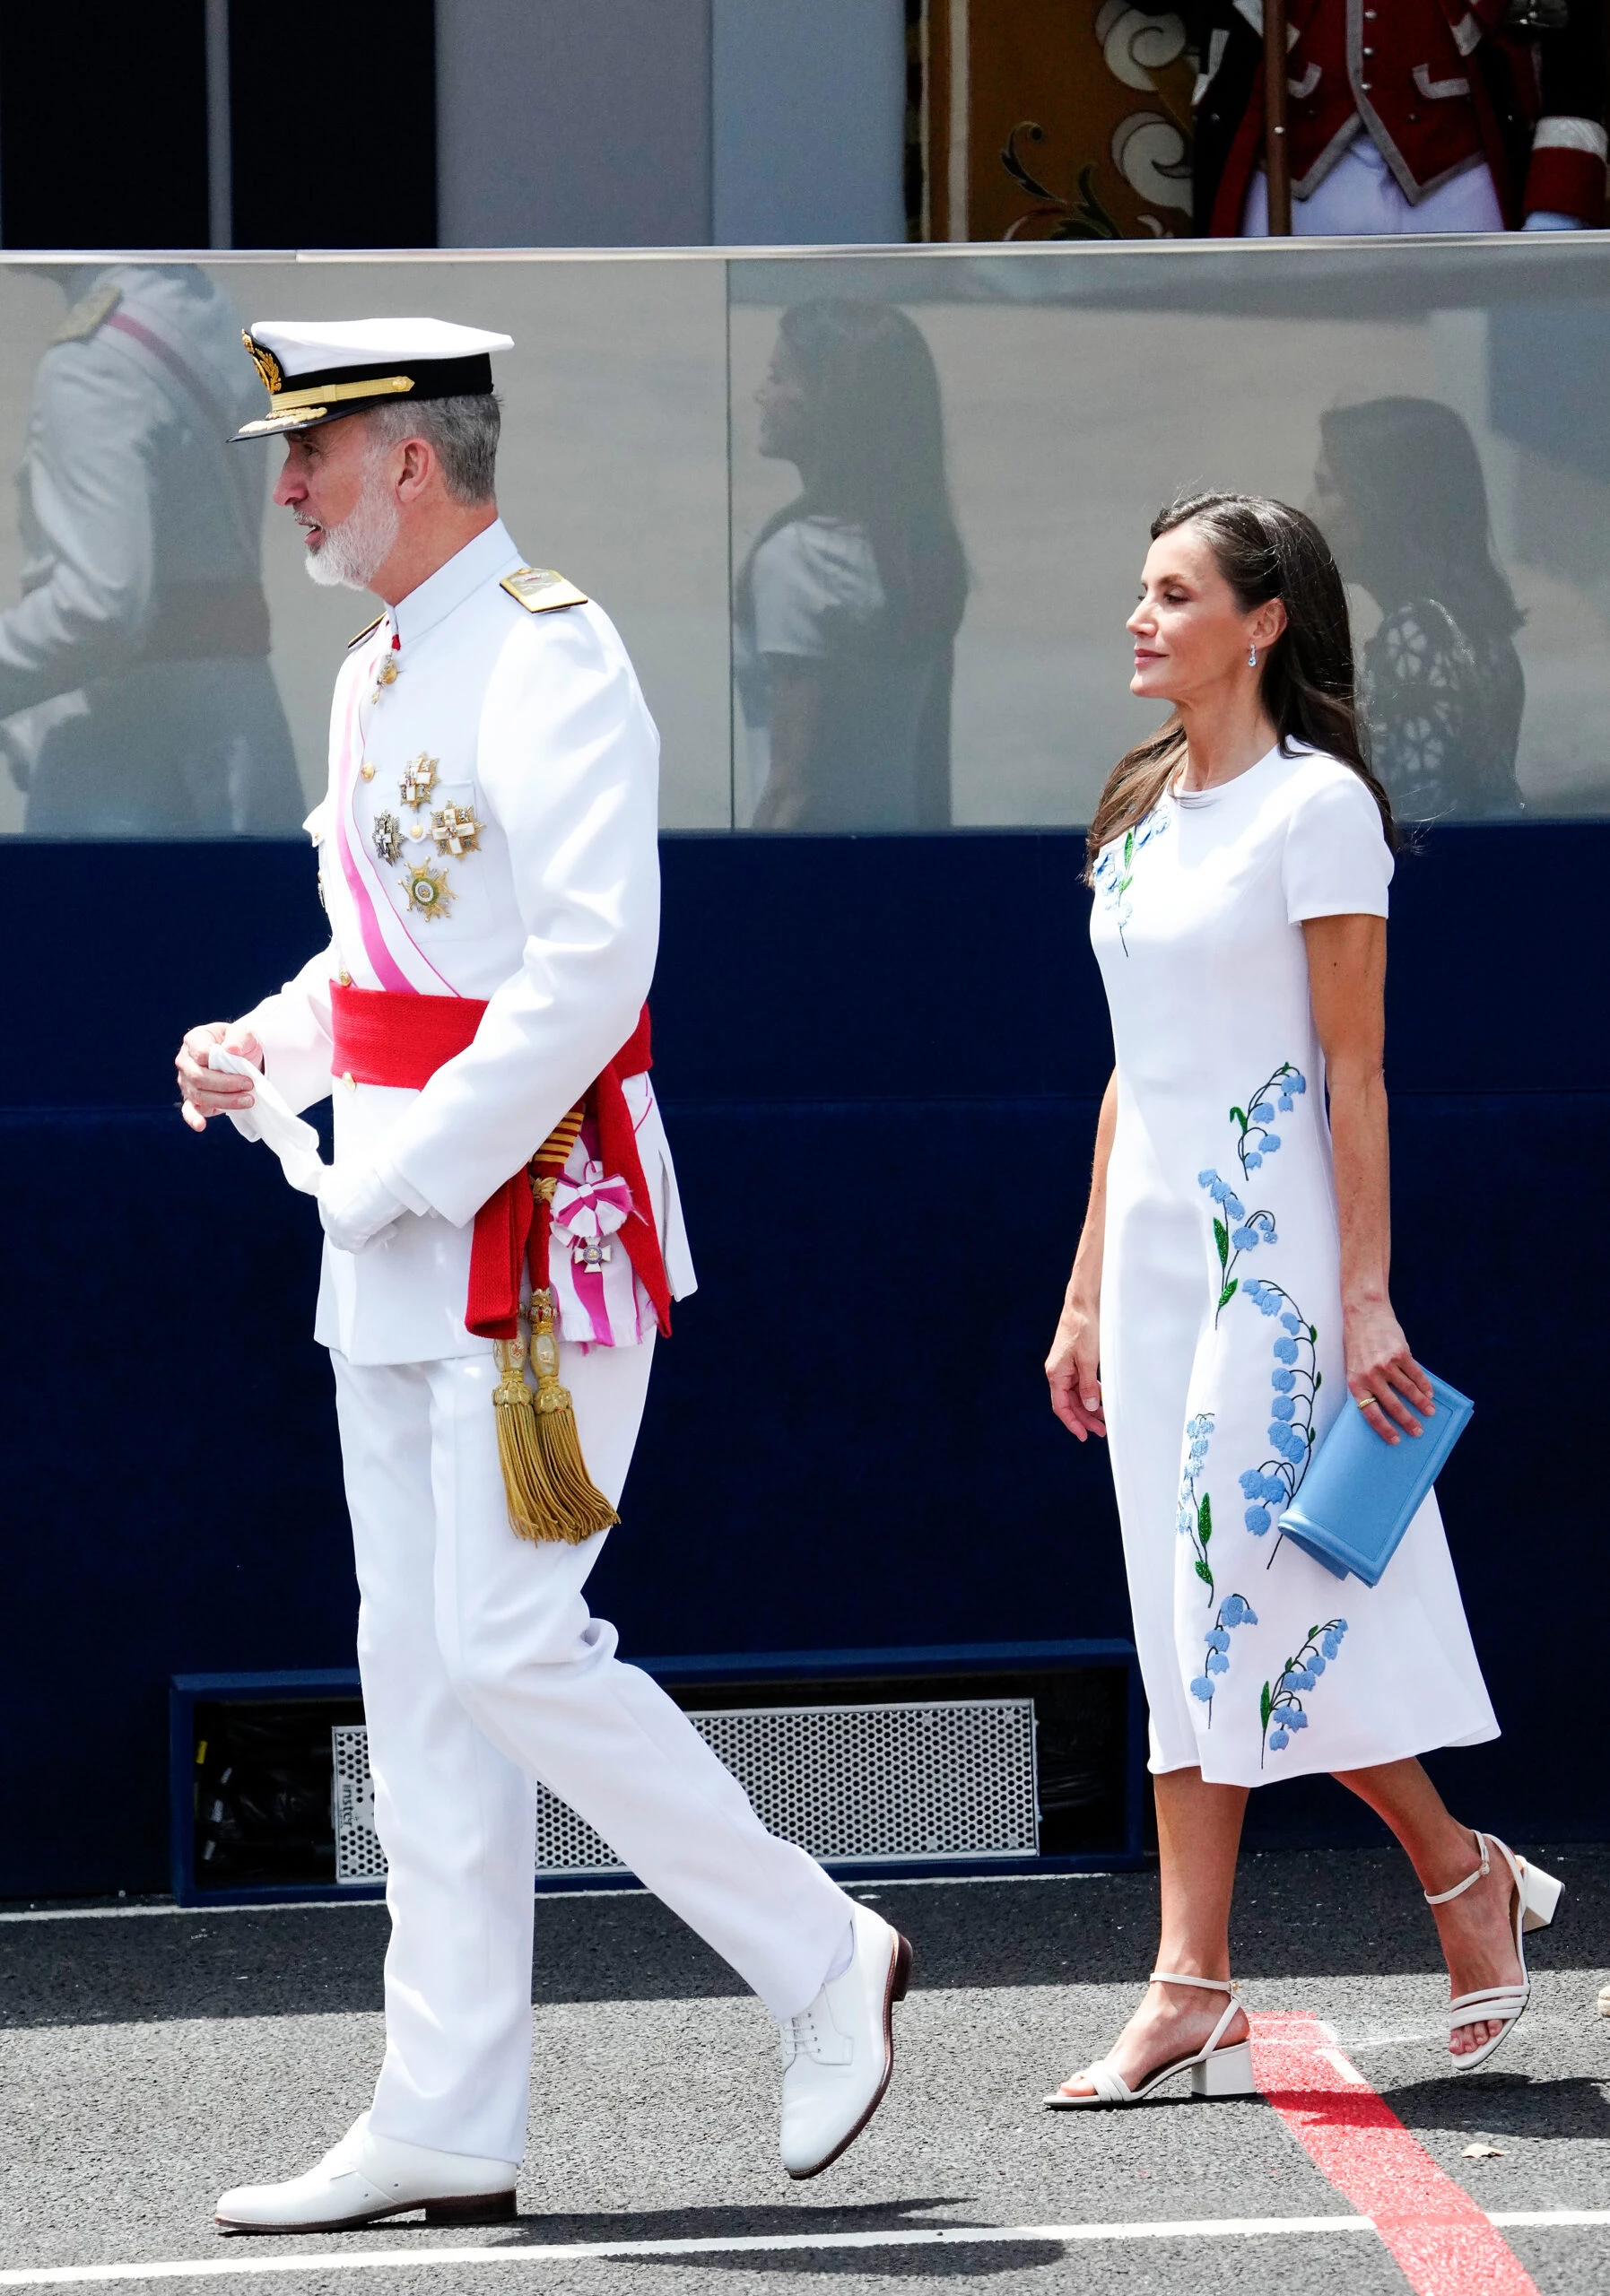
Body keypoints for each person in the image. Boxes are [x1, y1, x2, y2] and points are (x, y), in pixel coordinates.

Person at [175, 317, 910, 2230]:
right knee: (418, 1680)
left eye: (313, 455)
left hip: (536, 1221)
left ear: (411, 460)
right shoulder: (381, 667)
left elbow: (585, 972)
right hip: (401, 1228)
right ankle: (446, 2107)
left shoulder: (553, 650)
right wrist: (269, 1045)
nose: (288, 488)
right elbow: (379, 959)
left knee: (508, 1643)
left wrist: (400, 1167)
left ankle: (821, 1950)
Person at [1041, 492, 1559, 2108]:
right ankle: (1209, 1978)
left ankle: (1447, 1878)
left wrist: (1366, 1296)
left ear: (1261, 623)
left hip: (1268, 1265)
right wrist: (1082, 1291)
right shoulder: (1140, 807)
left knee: (1238, 1599)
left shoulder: (1317, 810)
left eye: (1173, 593)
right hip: (1151, 1262)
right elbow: (1130, 1073)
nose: (1140, 618)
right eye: (1140, 590)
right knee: (1178, 1613)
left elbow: (1355, 1072)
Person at [0, 263, 300, 835]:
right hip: (234, 736)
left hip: (125, 774)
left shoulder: (93, 363)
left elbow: (98, 608)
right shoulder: (198, 307)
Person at [735, 299, 967, 831]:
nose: (762, 394)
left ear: (832, 402)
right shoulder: (918, 552)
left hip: (810, 869)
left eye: (779, 377)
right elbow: (931, 764)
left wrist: (749, 877)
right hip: (899, 857)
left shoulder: (797, 560)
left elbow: (792, 789)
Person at [1190, 0, 1606, 237]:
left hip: (1460, 173)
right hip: (1296, 173)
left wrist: (1554, 212)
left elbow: (1573, 50)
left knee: (1475, 351)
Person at [1312, 397, 1526, 821]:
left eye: (1326, 488)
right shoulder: (1473, 627)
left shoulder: (1417, 635)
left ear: (1378, 504)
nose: (1309, 508)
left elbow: (1418, 817)